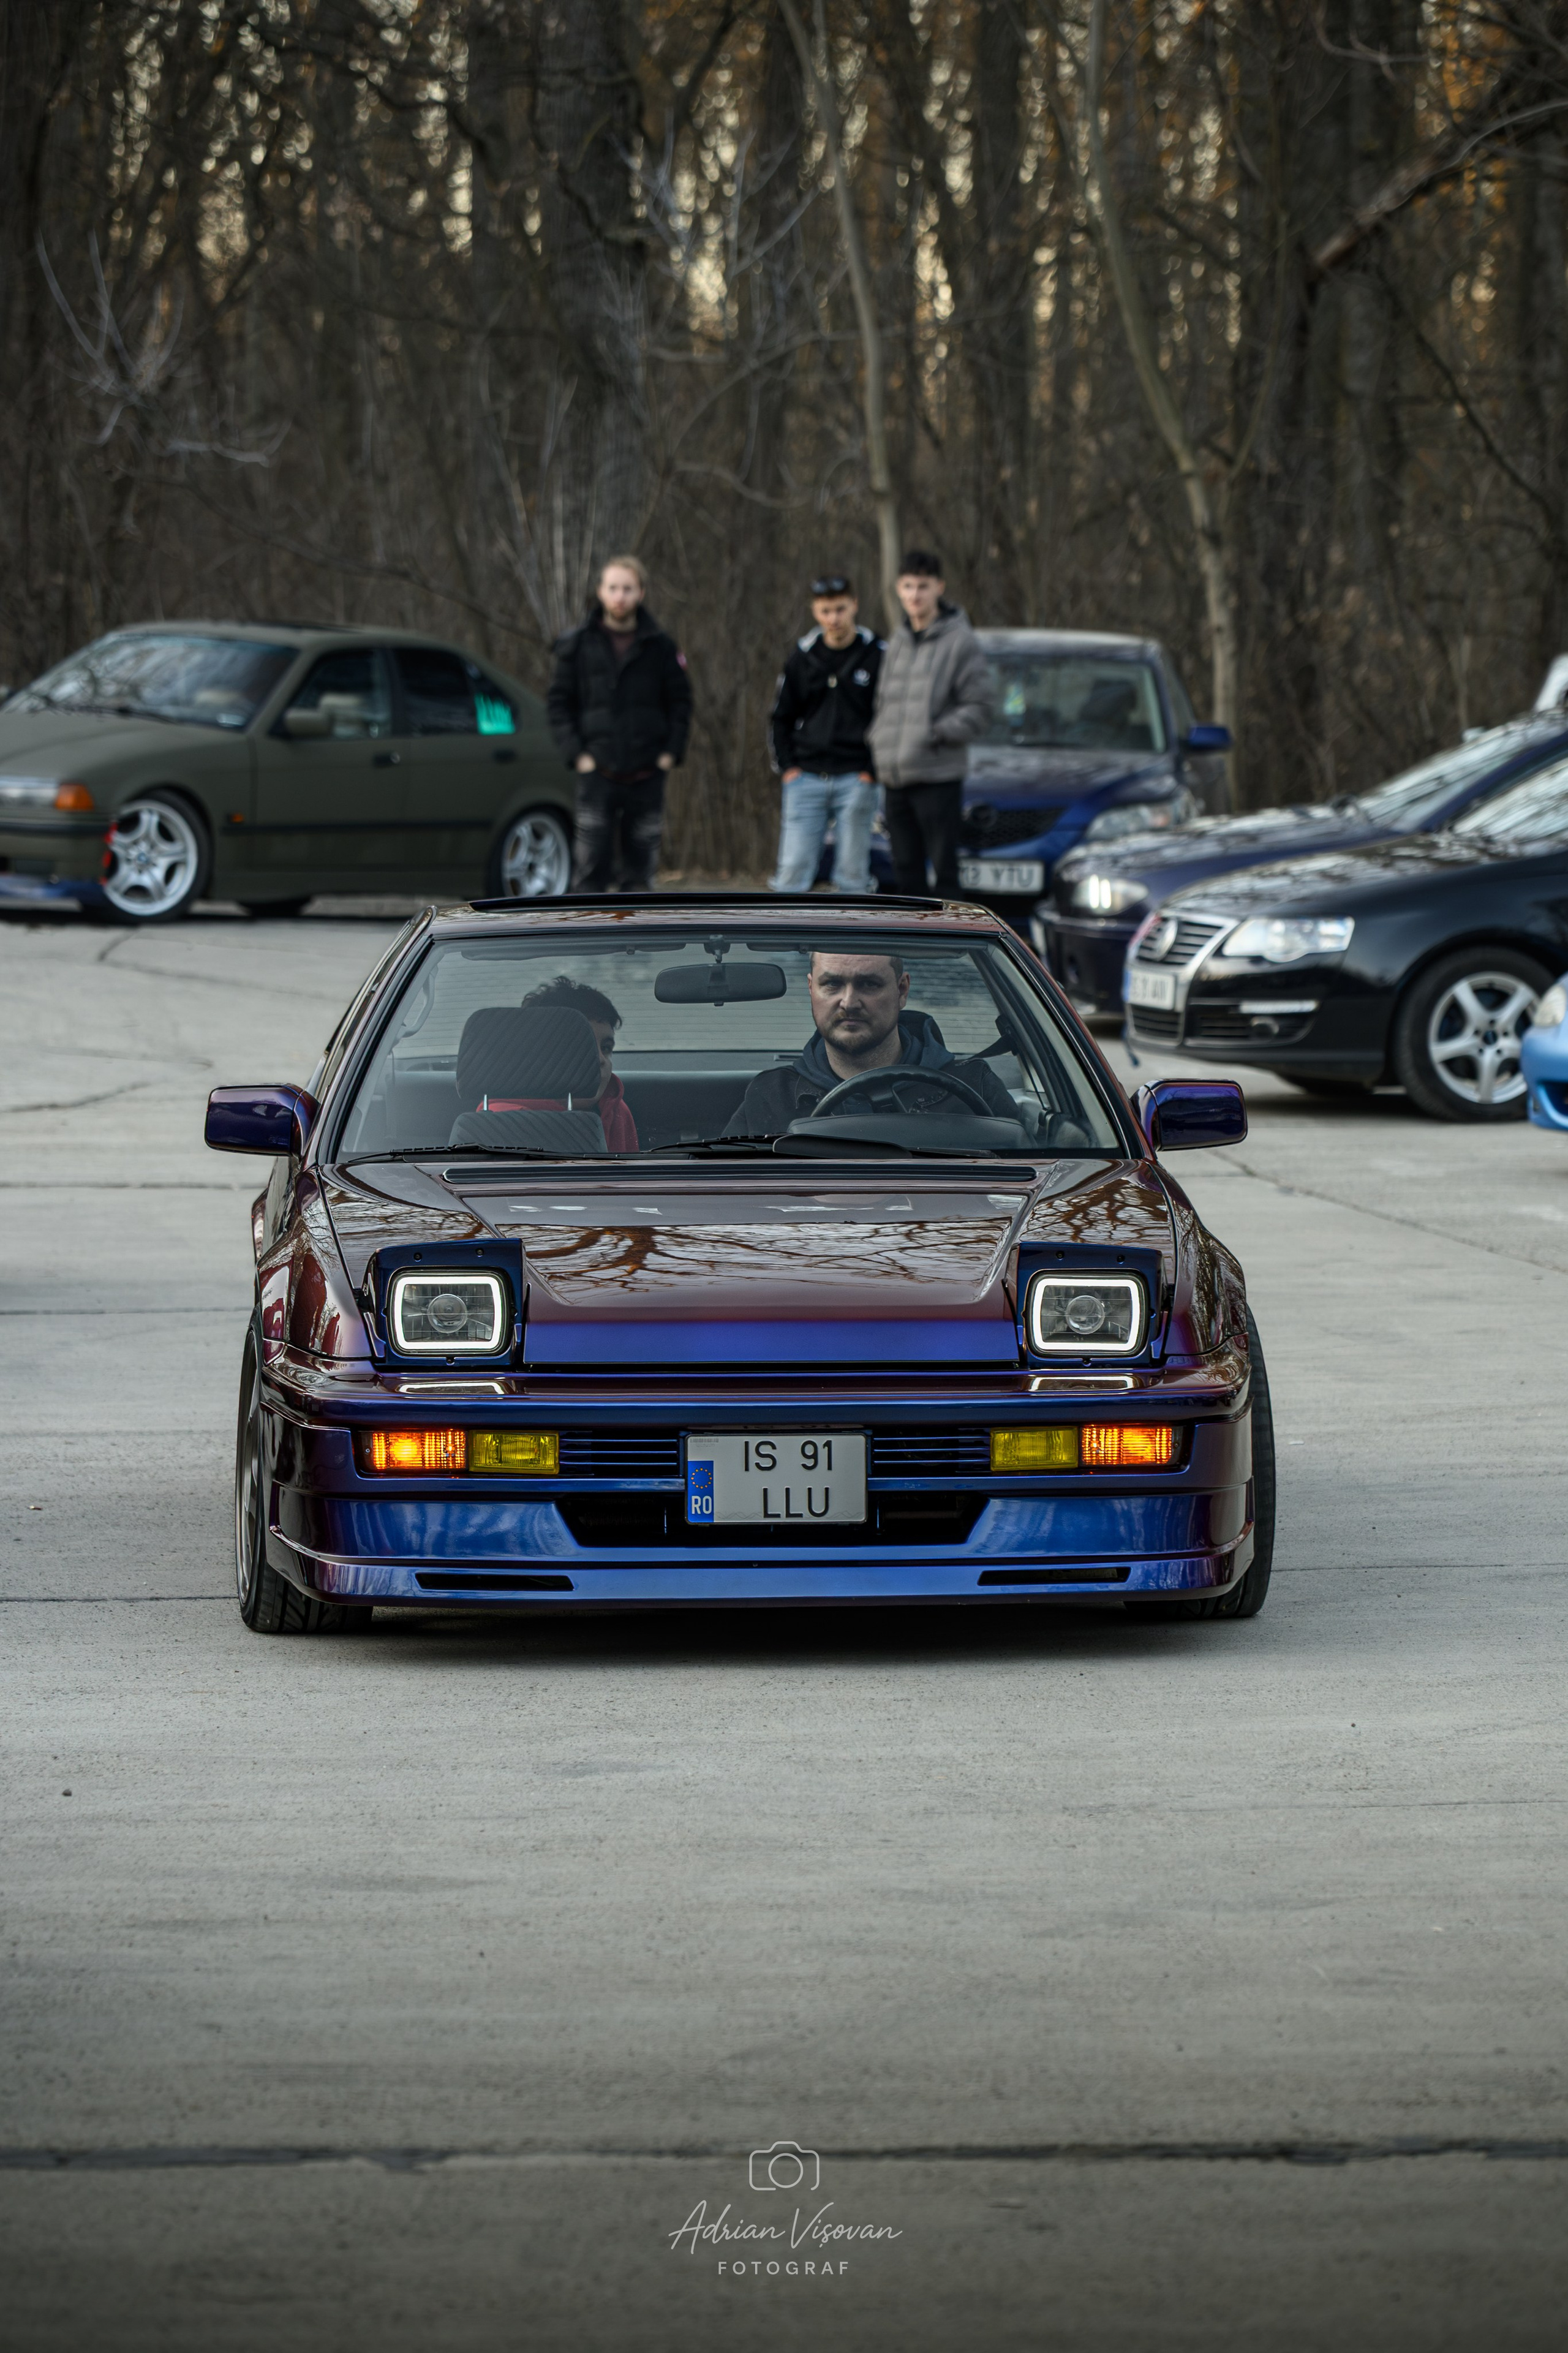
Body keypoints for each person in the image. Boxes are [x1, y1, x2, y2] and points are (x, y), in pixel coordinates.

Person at [726, 948, 1018, 1136]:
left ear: (902, 990)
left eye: (868, 984)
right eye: (832, 984)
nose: (849, 1002)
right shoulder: (772, 1095)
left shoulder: (974, 1086)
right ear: (811, 989)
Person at [546, 556, 692, 893]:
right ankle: (588, 929)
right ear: (600, 591)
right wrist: (577, 755)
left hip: (647, 773)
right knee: (589, 872)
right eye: (613, 588)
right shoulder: (578, 644)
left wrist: (670, 753)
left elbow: (681, 702)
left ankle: (636, 929)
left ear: (641, 593)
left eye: (628, 588)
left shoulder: (661, 646)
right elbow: (558, 704)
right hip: (597, 772)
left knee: (639, 877)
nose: (620, 596)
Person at [867, 548, 991, 897]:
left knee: (944, 875)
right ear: (898, 589)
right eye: (908, 586)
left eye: (923, 586)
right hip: (895, 779)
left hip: (938, 776)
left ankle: (949, 936)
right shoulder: (898, 641)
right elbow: (883, 703)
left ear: (940, 587)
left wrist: (935, 733)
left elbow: (980, 707)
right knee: (905, 874)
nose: (915, 595)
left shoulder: (960, 641)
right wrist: (877, 739)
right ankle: (912, 937)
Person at [767, 572, 884, 892]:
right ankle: (788, 928)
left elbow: (888, 719)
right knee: (792, 872)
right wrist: (788, 767)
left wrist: (872, 771)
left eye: (840, 609)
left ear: (854, 605)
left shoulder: (877, 654)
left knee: (852, 876)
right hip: (805, 777)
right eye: (826, 611)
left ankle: (853, 928)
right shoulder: (802, 656)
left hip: (857, 778)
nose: (834, 619)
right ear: (815, 611)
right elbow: (780, 717)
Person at [486, 975, 638, 1152]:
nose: (600, 1059)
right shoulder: (502, 1124)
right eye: (581, 1045)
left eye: (606, 1048)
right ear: (538, 1053)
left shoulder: (614, 1109)